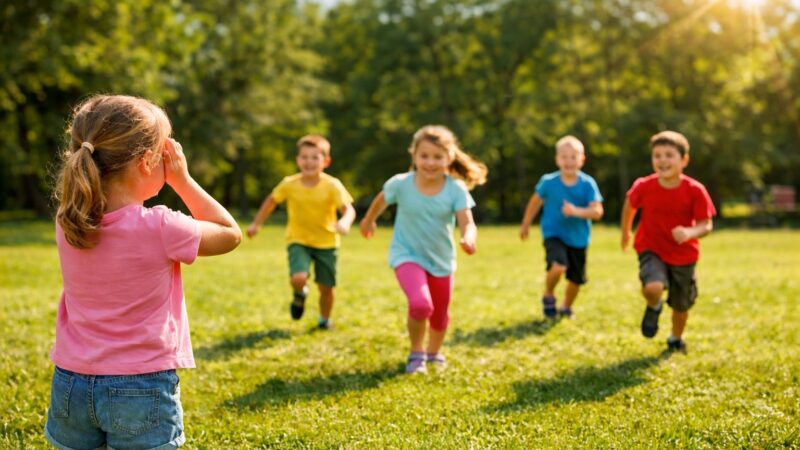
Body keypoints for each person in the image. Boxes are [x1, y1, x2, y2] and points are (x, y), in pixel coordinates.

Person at [46, 94, 242, 449]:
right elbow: (230, 233)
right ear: (147, 162)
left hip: (71, 382)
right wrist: (182, 181)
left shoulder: (68, 220)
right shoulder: (161, 226)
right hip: (141, 384)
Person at [359, 125, 487, 374]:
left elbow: (467, 223)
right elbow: (381, 199)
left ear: (449, 158)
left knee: (439, 315)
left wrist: (469, 238)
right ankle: (416, 352)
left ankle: (434, 353)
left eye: (438, 157)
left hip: (441, 259)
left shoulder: (455, 189)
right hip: (406, 254)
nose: (430, 162)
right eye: (424, 156)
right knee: (420, 305)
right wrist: (368, 220)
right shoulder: (401, 184)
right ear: (414, 156)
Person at [621, 130, 716, 354]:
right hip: (651, 247)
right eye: (657, 155)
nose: (662, 160)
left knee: (681, 305)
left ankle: (675, 338)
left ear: (684, 160)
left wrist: (690, 232)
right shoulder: (644, 186)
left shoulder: (695, 190)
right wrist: (626, 231)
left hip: (684, 254)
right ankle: (653, 305)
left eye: (669, 155)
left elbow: (706, 224)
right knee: (653, 286)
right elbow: (630, 204)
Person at [247, 135, 355, 330]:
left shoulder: (332, 185)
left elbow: (348, 209)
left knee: (326, 288)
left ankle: (324, 320)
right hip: (298, 240)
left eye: (315, 157)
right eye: (304, 157)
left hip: (327, 243)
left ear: (326, 161)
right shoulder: (289, 183)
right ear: (298, 160)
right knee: (298, 277)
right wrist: (256, 224)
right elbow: (271, 201)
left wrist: (345, 221)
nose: (309, 162)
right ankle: (300, 293)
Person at [519, 136, 604, 320]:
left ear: (582, 160)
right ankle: (549, 294)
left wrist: (575, 211)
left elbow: (597, 212)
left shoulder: (587, 184)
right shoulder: (548, 182)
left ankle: (566, 307)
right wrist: (526, 224)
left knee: (576, 279)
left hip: (579, 238)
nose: (568, 161)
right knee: (558, 266)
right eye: (564, 157)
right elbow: (535, 203)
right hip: (554, 233)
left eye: (573, 157)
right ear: (557, 160)